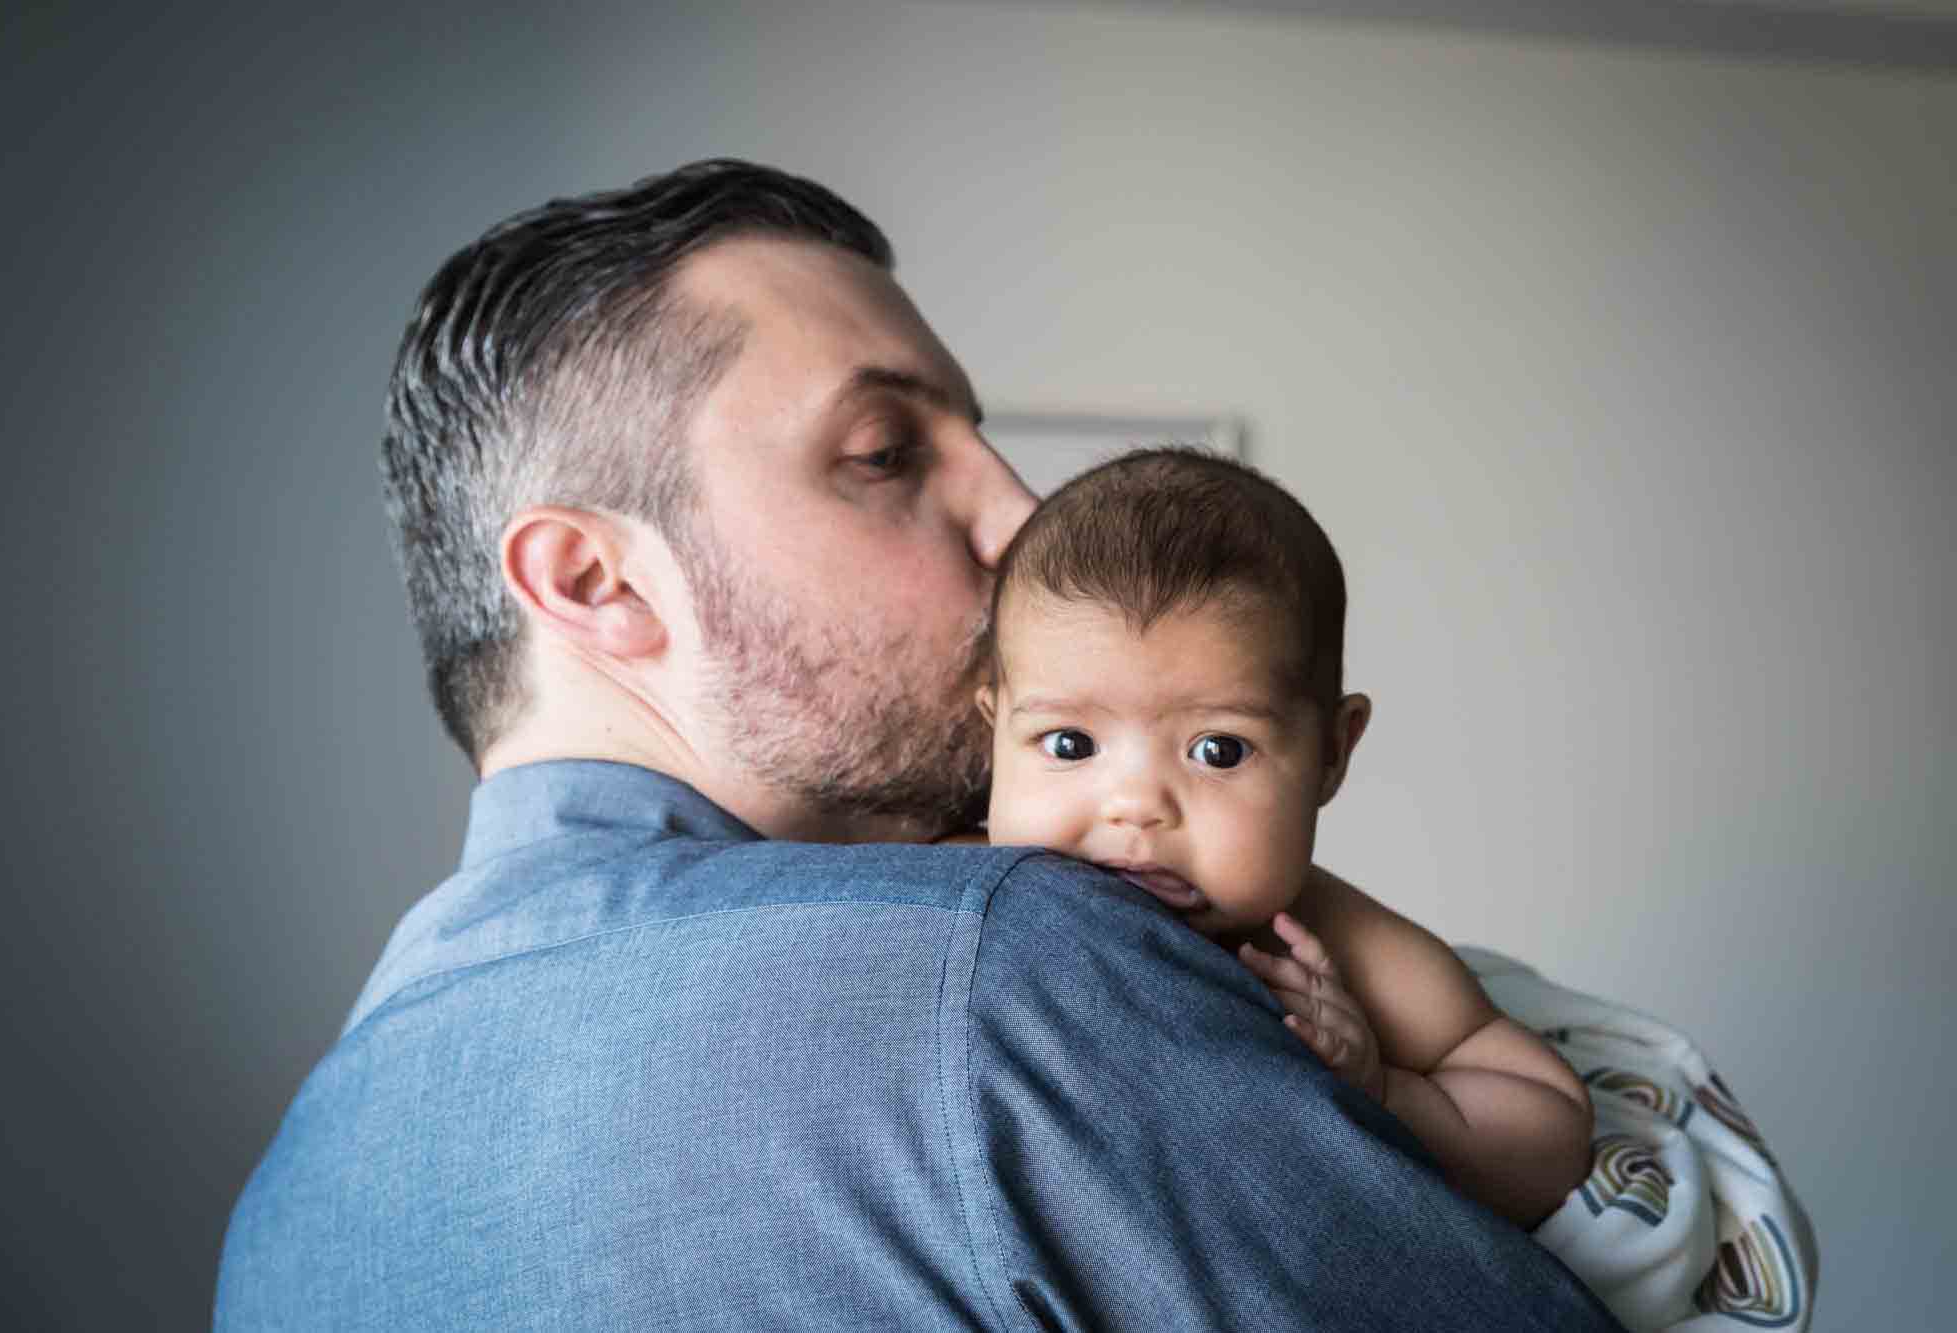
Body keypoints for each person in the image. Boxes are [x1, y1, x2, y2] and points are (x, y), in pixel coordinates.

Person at [214, 159, 1621, 1329]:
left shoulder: (284, 1202)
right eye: (888, 452)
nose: (1021, 520)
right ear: (596, 583)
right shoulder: (1011, 964)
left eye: (982, 443)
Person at [973, 447, 1595, 1230]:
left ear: (1333, 752)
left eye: (1218, 750)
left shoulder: (1330, 945)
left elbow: (1553, 1124)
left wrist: (1384, 1092)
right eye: (1069, 744)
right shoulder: (953, 891)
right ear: (994, 732)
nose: (1134, 807)